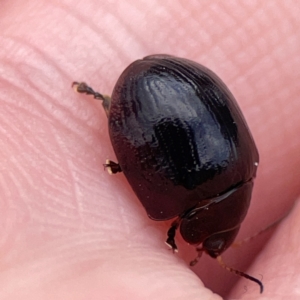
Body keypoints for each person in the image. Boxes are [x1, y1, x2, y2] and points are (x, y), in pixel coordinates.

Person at [1, 1, 299, 299]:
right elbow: (144, 161)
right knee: (141, 152)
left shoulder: (245, 166)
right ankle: (105, 103)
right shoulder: (199, 188)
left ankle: (102, 101)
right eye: (207, 245)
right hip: (153, 89)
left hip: (171, 81)